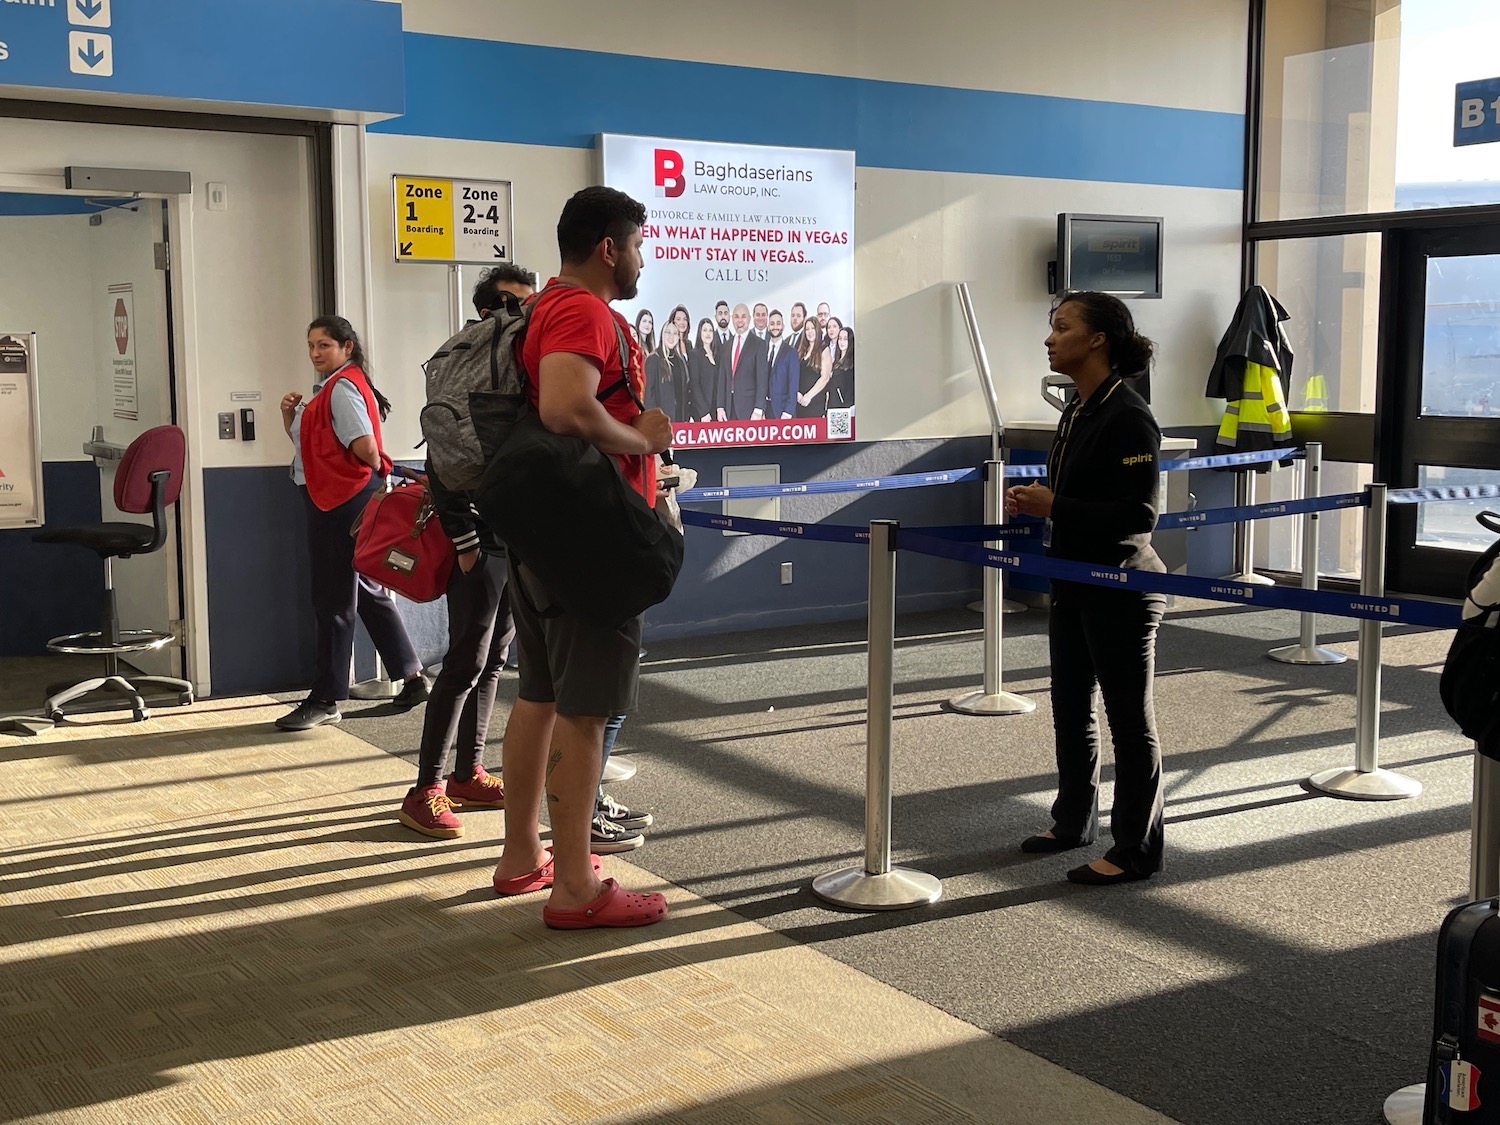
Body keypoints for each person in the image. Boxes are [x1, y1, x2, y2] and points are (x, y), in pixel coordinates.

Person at [489, 185, 669, 928]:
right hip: (588, 542)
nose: (639, 260)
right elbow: (568, 407)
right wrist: (645, 441)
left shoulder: (549, 309)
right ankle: (575, 888)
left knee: (540, 697)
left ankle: (525, 855)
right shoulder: (582, 310)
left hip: (551, 536)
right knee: (585, 712)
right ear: (608, 247)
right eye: (636, 246)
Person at [1005, 290, 1166, 886]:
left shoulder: (1128, 414)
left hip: (1121, 584)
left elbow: (1137, 516)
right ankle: (1074, 820)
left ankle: (1135, 850)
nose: (1050, 339)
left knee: (1129, 719)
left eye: (1062, 327)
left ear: (1097, 340)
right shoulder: (1077, 408)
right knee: (1071, 707)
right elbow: (1075, 501)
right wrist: (1041, 505)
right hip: (1071, 578)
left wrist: (1058, 505)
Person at [397, 263, 535, 838]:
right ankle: (425, 787)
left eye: (525, 304)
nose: (519, 314)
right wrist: (466, 545)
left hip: (512, 538)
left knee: (495, 659)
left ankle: (467, 772)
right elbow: (443, 461)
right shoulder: (465, 364)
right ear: (485, 308)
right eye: (509, 304)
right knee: (465, 661)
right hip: (477, 541)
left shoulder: (514, 364)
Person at [276, 316, 427, 731]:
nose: (314, 353)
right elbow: (314, 444)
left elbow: (365, 448)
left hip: (338, 501)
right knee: (366, 587)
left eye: (323, 345)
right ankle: (412, 677)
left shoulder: (341, 388)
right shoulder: (335, 386)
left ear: (347, 347)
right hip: (342, 496)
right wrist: (290, 417)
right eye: (310, 345)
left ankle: (326, 698)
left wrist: (375, 470)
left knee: (333, 599)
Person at [715, 302, 768, 421]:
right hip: (728, 409)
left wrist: (759, 409)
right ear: (732, 319)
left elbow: (762, 379)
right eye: (737, 316)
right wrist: (720, 407)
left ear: (749, 319)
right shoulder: (726, 346)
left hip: (750, 410)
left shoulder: (759, 344)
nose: (740, 320)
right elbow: (722, 379)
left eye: (743, 316)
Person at [644, 320, 686, 420]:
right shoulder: (653, 359)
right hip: (661, 422)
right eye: (668, 332)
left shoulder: (681, 361)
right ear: (662, 334)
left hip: (680, 421)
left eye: (675, 333)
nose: (671, 336)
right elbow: (649, 396)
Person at [795, 315, 833, 417]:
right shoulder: (801, 351)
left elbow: (825, 377)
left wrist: (808, 396)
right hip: (799, 403)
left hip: (814, 402)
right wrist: (797, 393)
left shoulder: (824, 349)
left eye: (812, 328)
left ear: (817, 330)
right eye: (807, 329)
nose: (810, 331)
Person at [766, 309, 800, 419]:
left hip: (783, 413)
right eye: (772, 324)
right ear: (768, 327)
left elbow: (793, 384)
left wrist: (788, 412)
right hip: (765, 412)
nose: (775, 327)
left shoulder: (791, 352)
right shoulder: (761, 350)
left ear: (783, 326)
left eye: (778, 323)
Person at [687, 317, 718, 422]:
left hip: (717, 410)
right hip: (703, 412)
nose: (708, 333)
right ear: (699, 332)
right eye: (704, 330)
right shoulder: (694, 354)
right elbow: (694, 384)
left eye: (710, 330)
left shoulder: (718, 355)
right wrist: (703, 412)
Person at [829, 325, 855, 411]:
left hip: (845, 409)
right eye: (840, 338)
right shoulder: (835, 362)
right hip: (833, 408)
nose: (842, 342)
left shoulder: (852, 365)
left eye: (845, 339)